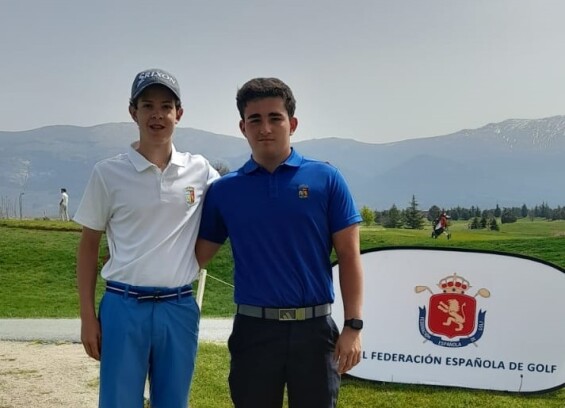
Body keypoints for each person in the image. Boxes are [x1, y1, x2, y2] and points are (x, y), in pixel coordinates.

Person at [196, 77, 364, 408]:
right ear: (243, 127)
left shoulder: (326, 179)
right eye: (255, 119)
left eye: (275, 117)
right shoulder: (225, 191)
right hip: (253, 331)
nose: (266, 128)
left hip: (314, 331)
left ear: (293, 123)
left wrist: (353, 327)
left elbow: (349, 256)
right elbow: (195, 257)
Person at [74, 68, 219, 408]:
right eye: (147, 105)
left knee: (173, 402)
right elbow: (88, 247)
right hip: (123, 307)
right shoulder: (108, 173)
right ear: (132, 112)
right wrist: (86, 317)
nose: (157, 114)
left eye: (166, 106)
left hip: (179, 307)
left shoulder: (200, 170)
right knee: (119, 402)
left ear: (178, 114)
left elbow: (235, 203)